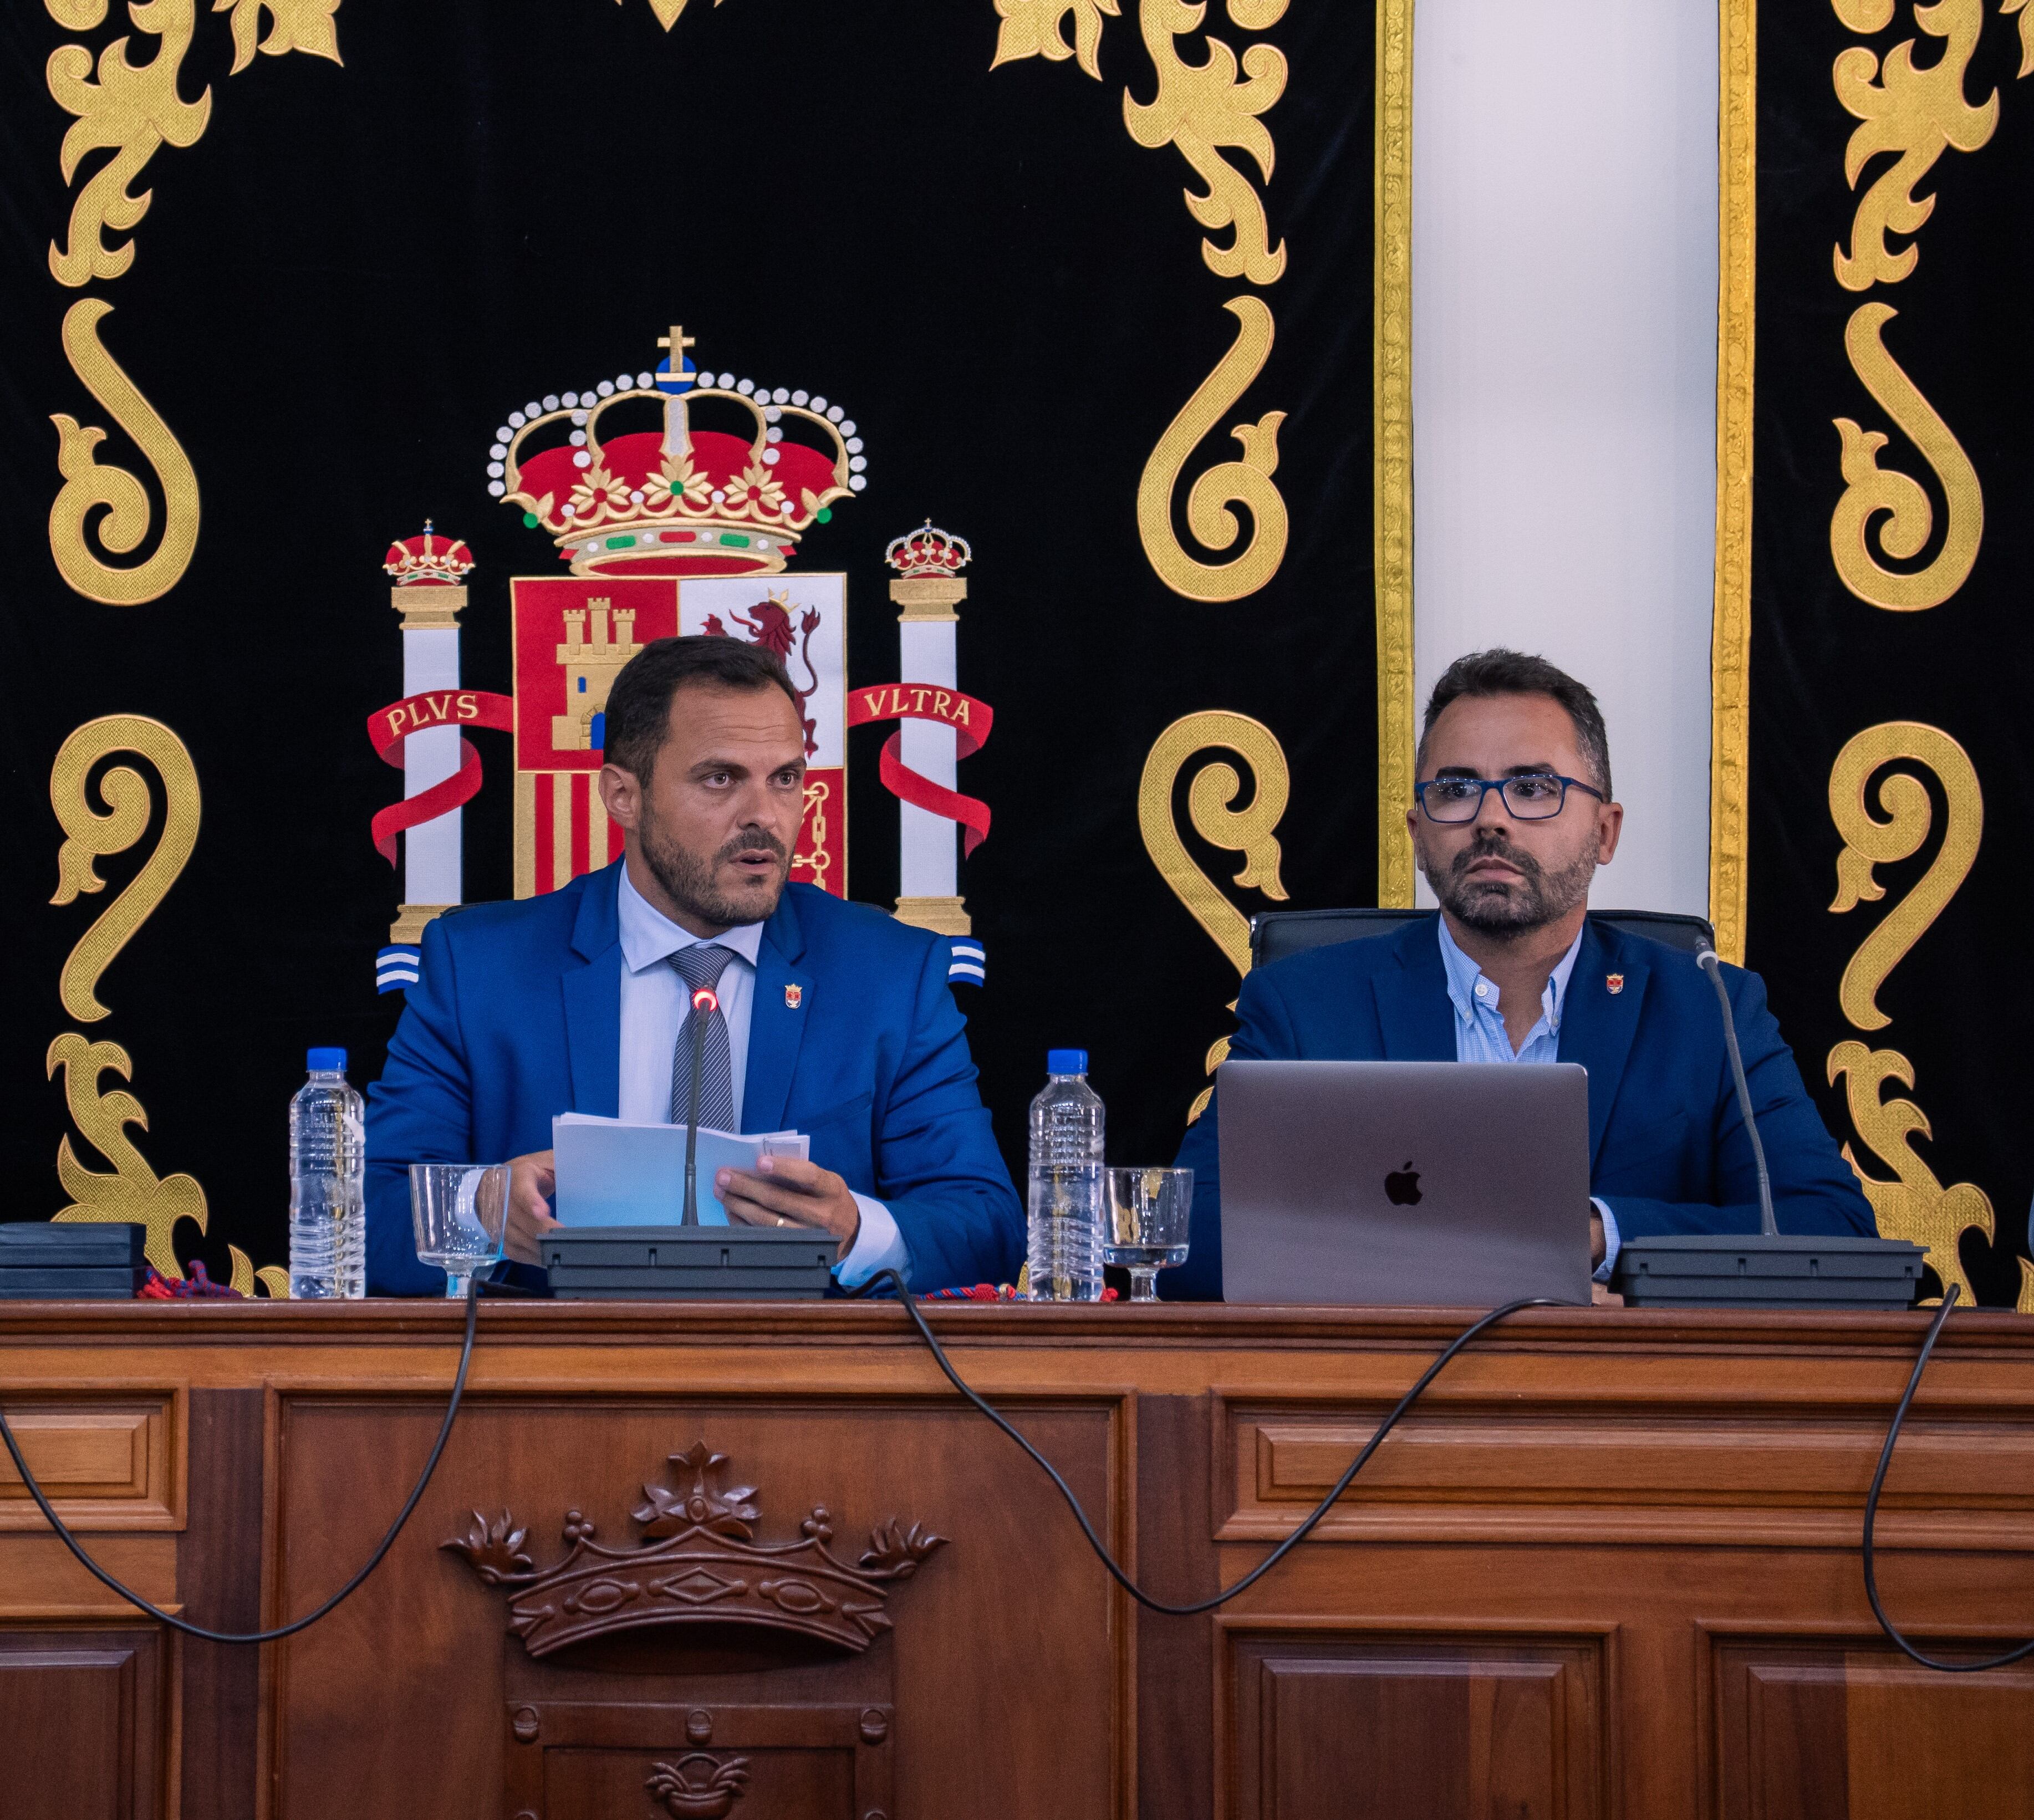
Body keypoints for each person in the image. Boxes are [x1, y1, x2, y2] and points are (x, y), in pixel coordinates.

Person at [1167, 648, 1874, 1301]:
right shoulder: (1305, 1004)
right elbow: (1184, 1237)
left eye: (1533, 787)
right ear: (1418, 832)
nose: (1491, 819)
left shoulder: (1709, 1009)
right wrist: (1458, 1257)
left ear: (1605, 832)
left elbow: (1832, 1232)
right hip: (1372, 1414)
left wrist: (1593, 1233)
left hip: (1618, 1413)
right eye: (1456, 788)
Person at [365, 635, 1023, 1295]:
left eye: (786, 779)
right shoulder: (479, 968)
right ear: (623, 795)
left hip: (804, 1386)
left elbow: (987, 1227)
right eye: (720, 779)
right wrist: (477, 1211)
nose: (765, 817)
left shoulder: (890, 974)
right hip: (554, 1384)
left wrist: (856, 1230)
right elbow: (363, 1221)